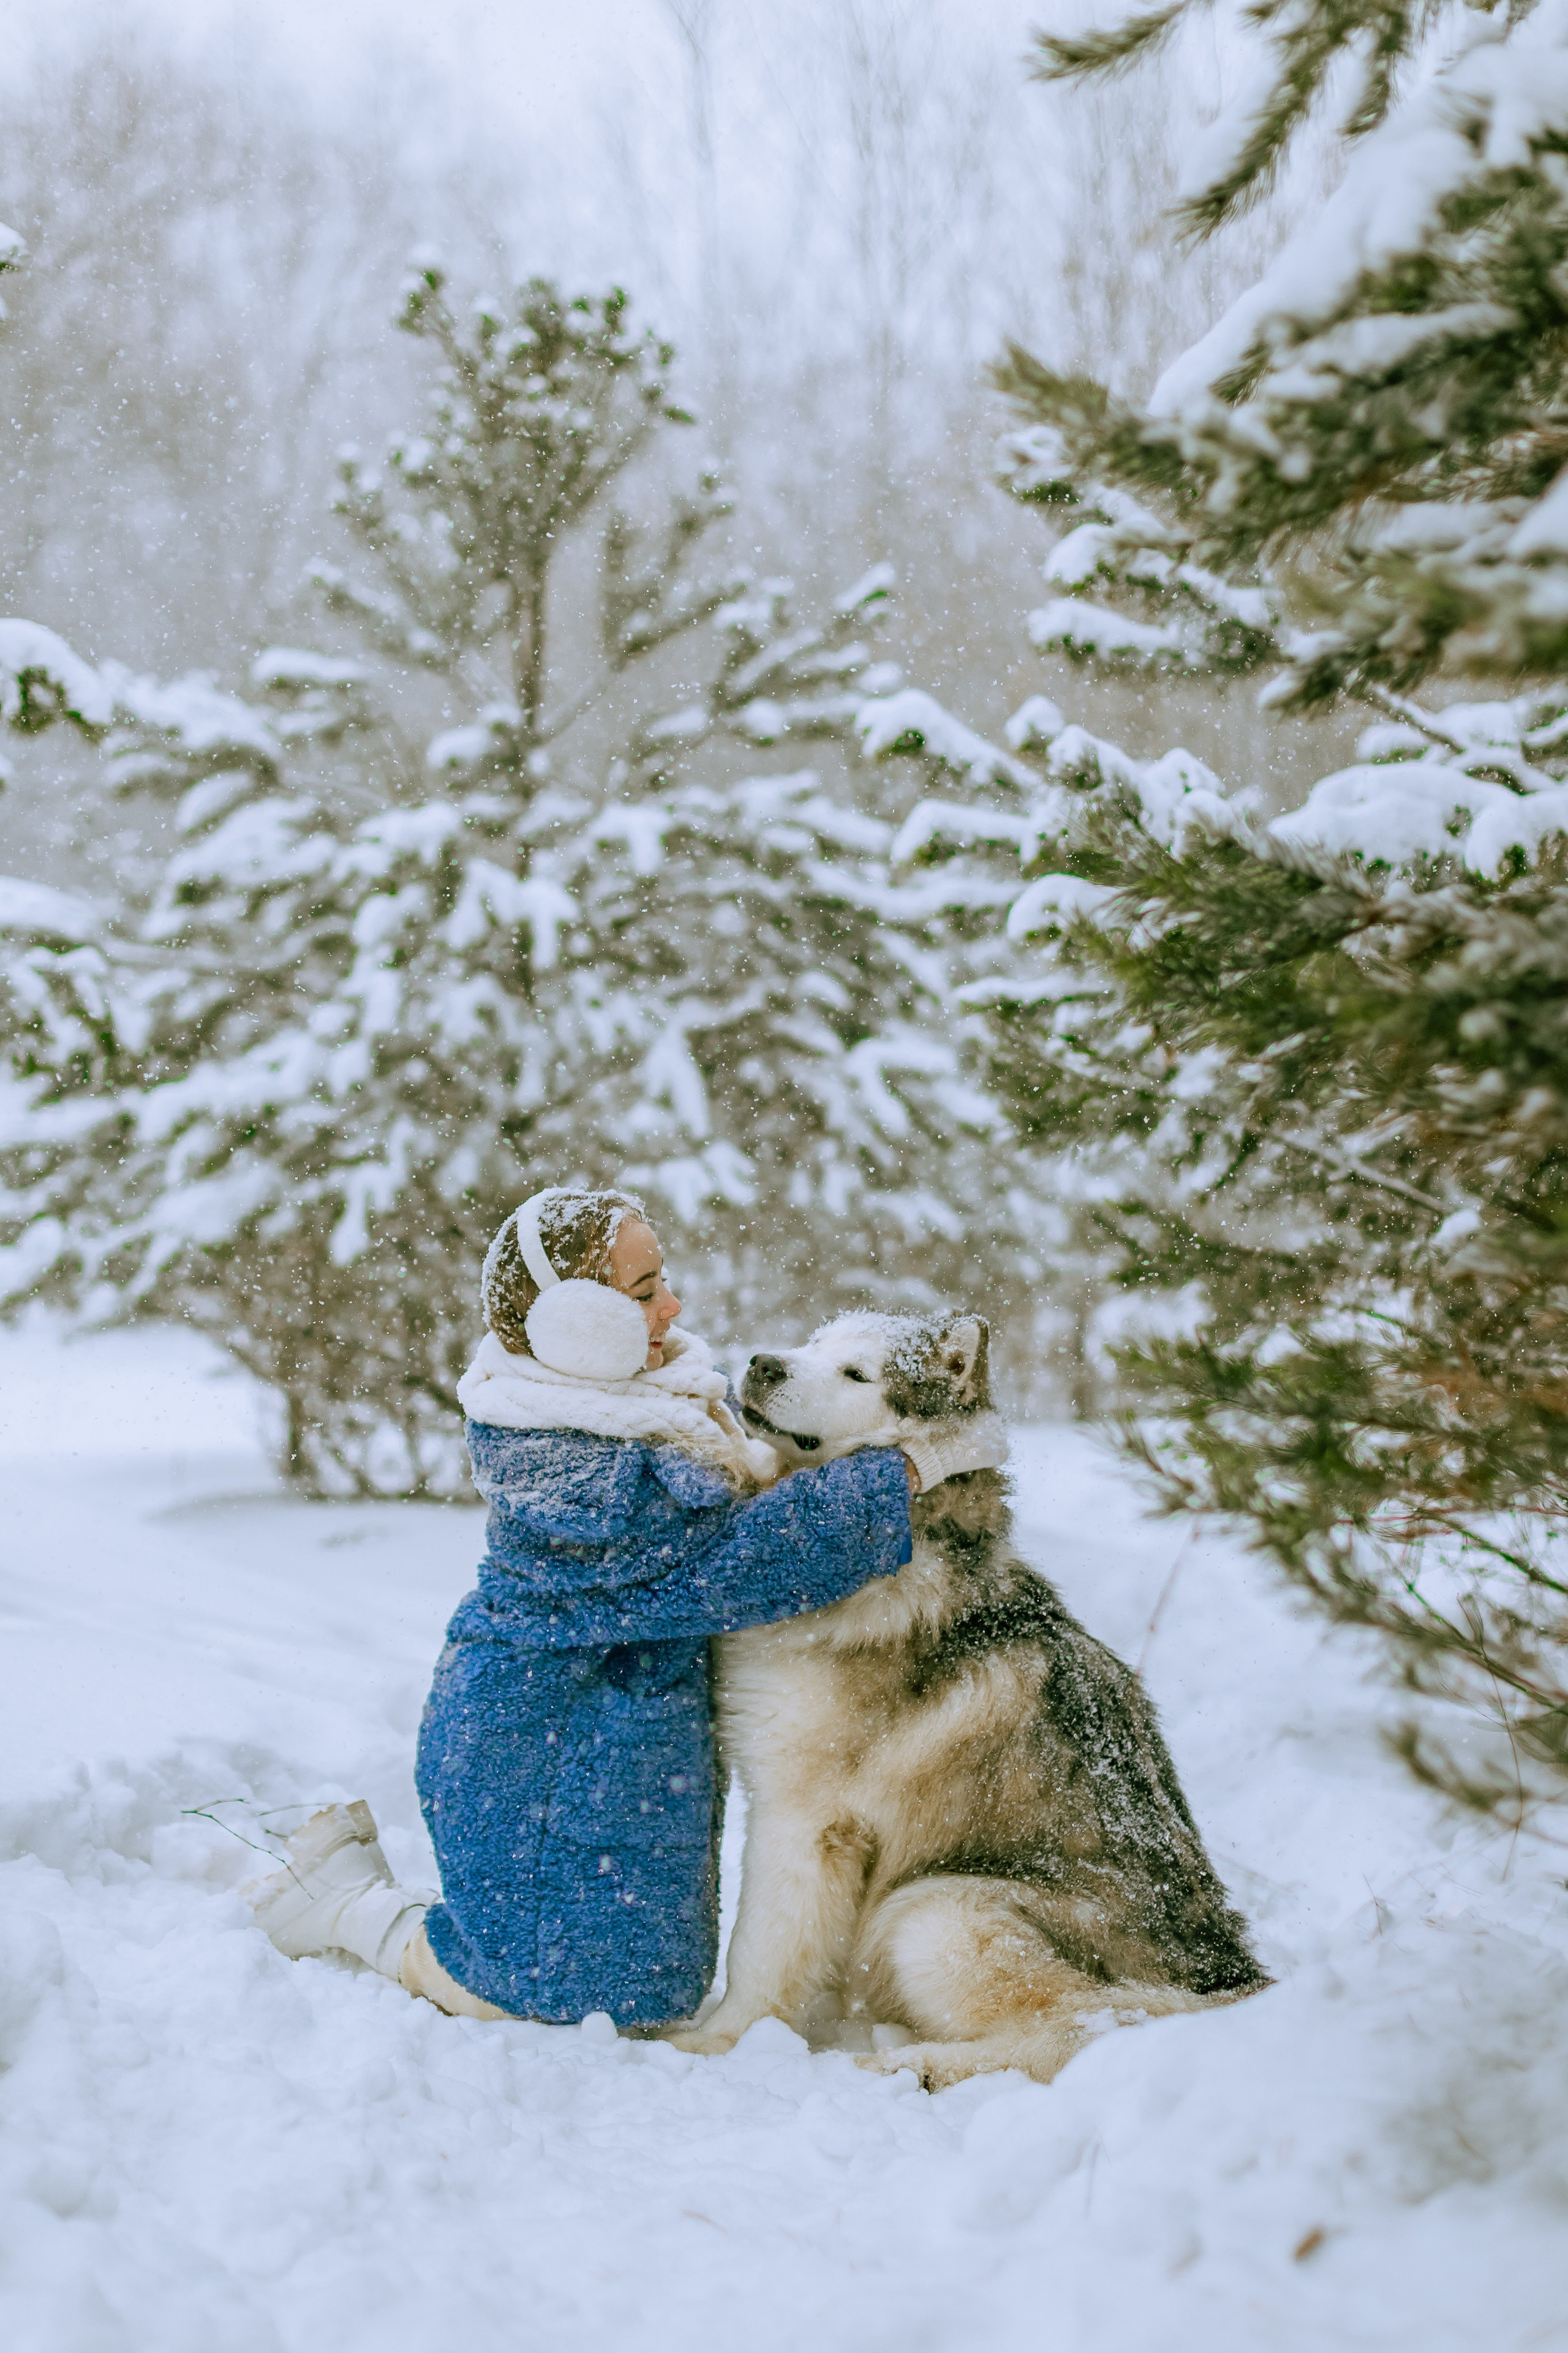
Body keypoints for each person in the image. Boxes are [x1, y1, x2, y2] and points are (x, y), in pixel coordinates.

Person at [247, 1186, 1008, 2029]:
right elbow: (733, 1561)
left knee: (645, 1985)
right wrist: (904, 1472)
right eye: (645, 1293)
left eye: (664, 1281)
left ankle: (436, 1912)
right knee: (551, 1994)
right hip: (542, 1751)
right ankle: (348, 1905)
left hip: (615, 1756)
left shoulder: (639, 1401)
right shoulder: (571, 1478)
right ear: (576, 1324)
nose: (674, 1306)